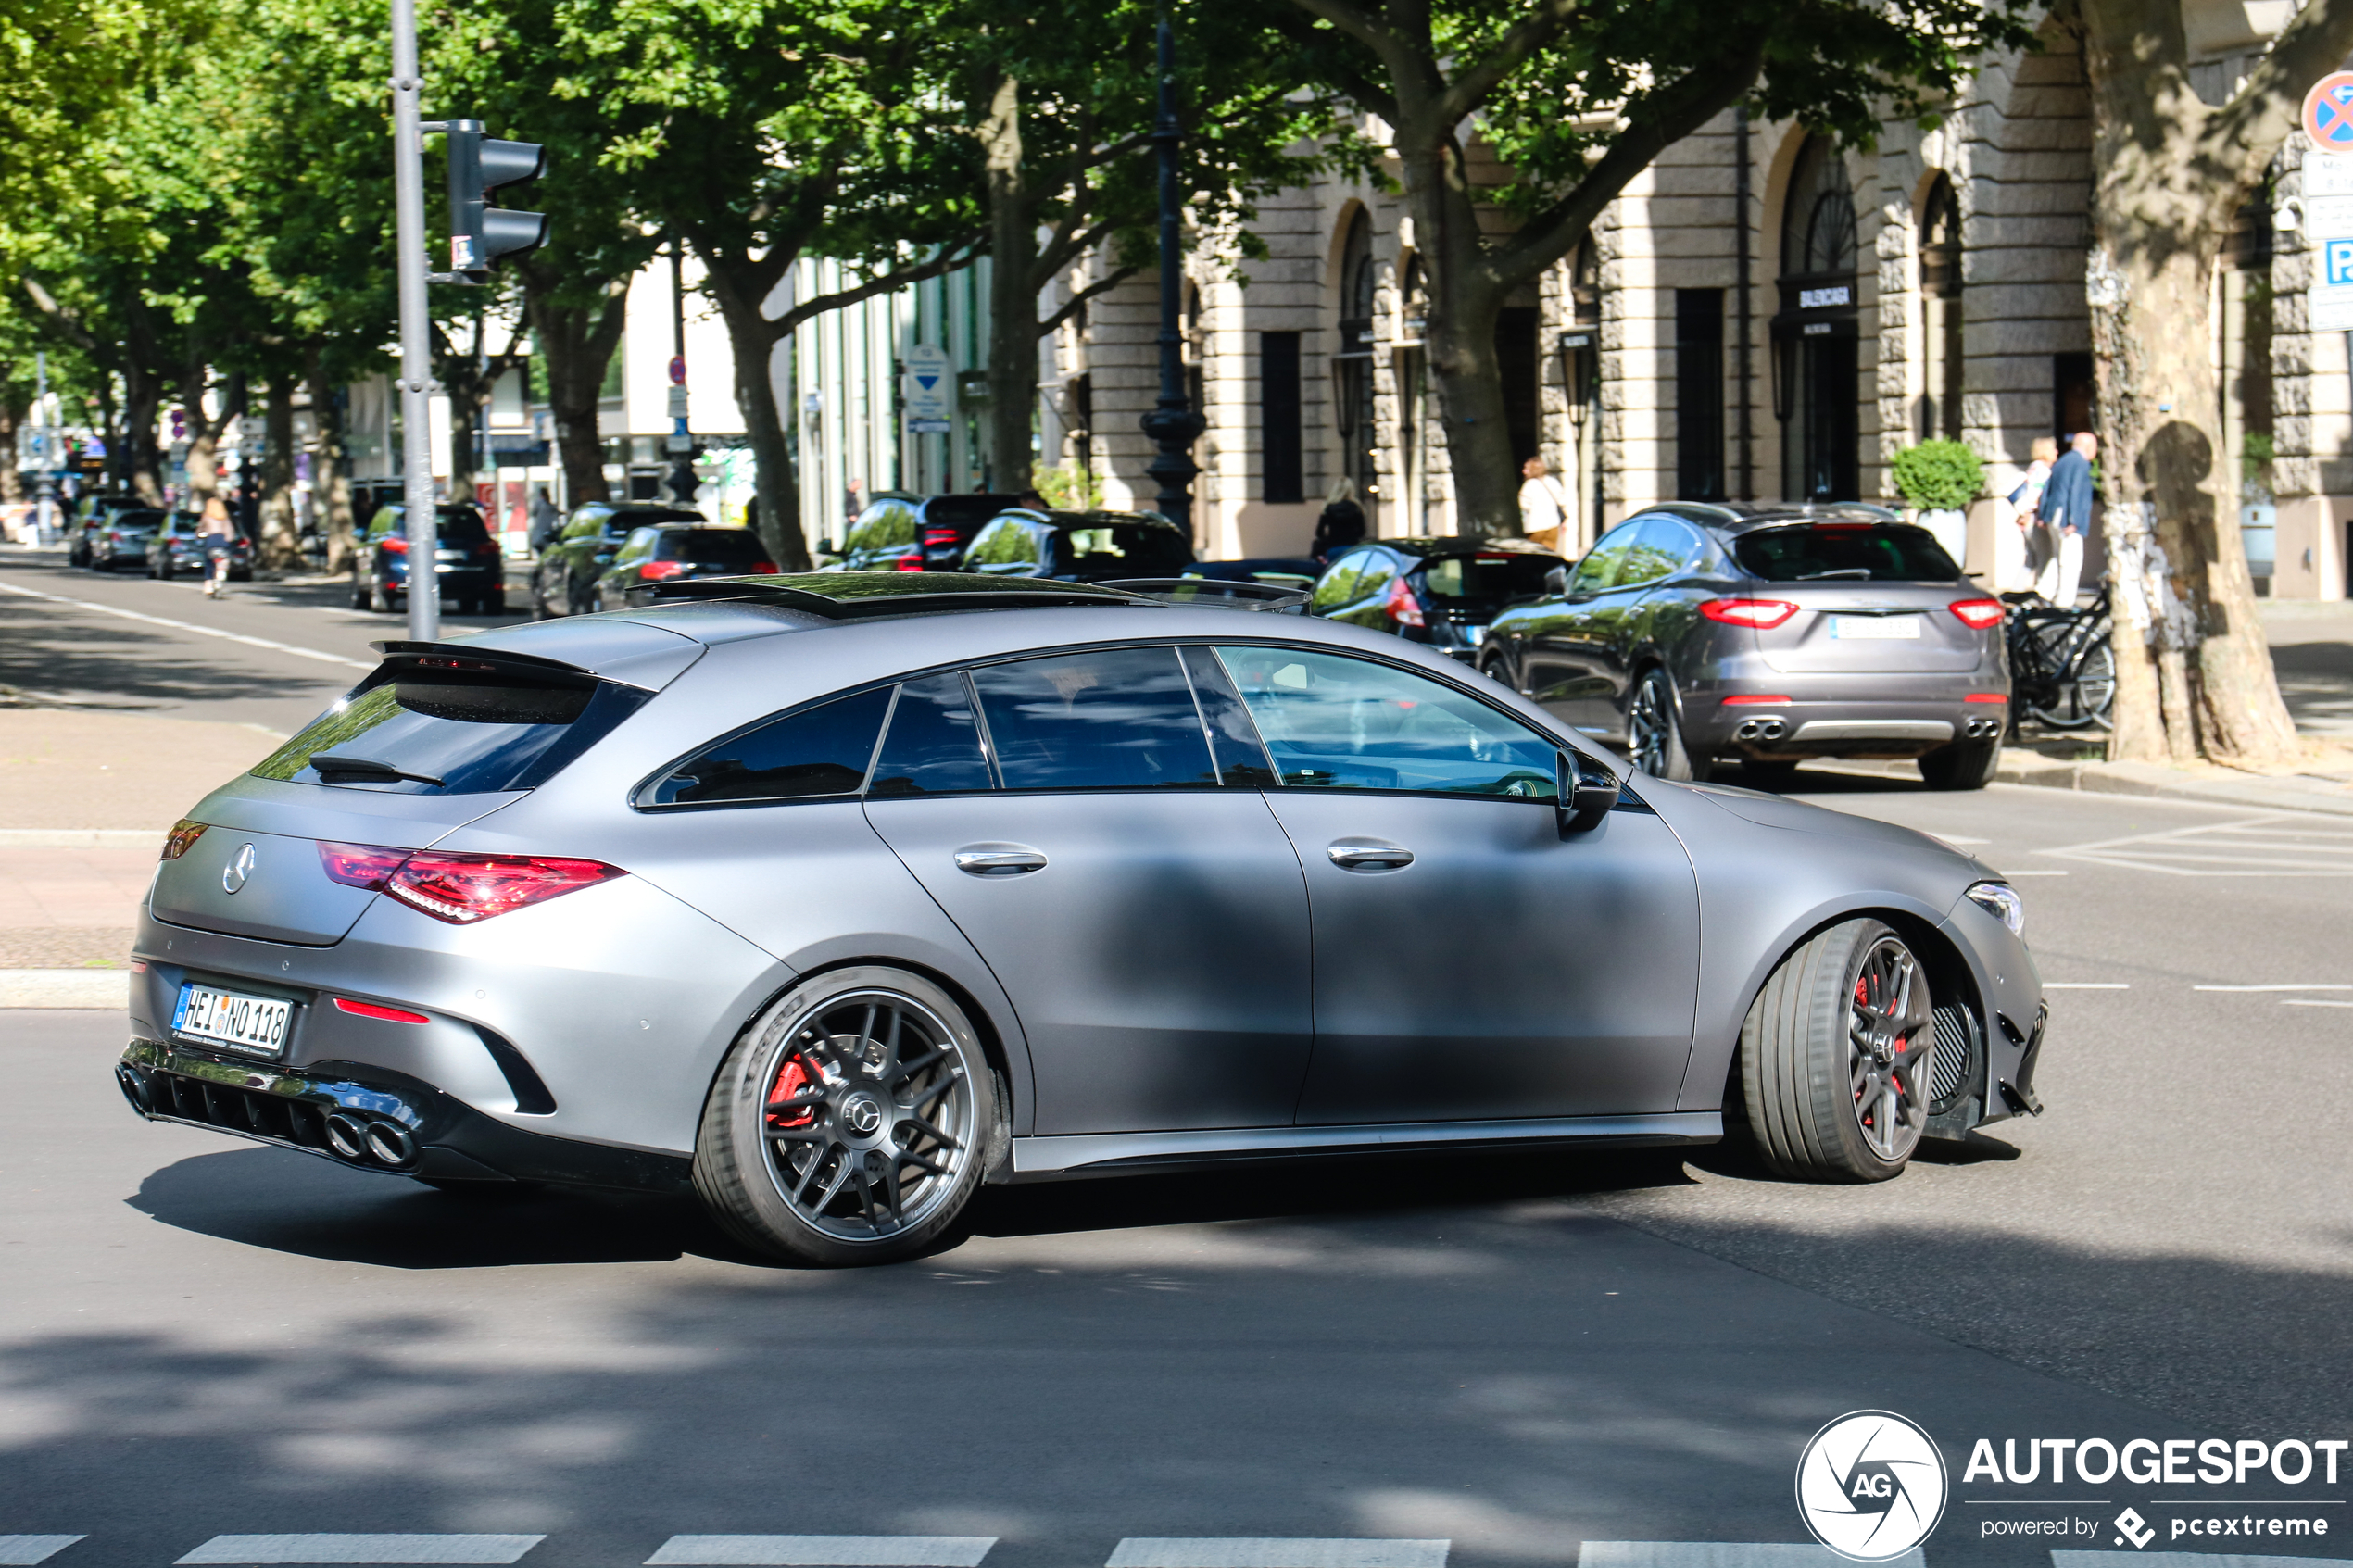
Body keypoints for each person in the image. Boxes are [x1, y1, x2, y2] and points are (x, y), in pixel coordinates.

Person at [2037, 431, 2096, 606]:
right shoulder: (2081, 463)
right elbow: (2077, 492)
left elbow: (2047, 489)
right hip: (2066, 517)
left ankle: (2043, 592)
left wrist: (2044, 515)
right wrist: (2074, 521)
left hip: (2054, 514)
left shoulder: (2062, 461)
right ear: (2088, 446)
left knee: (2057, 556)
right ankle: (2064, 602)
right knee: (2071, 561)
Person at [1995, 436, 2056, 593]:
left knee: (2031, 558)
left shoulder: (2033, 468)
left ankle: (2016, 590)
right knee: (2044, 556)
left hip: (2027, 517)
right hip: (2034, 517)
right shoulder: (2043, 470)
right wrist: (2029, 513)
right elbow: (2035, 493)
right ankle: (2042, 593)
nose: (2056, 452)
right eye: (2053, 449)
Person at [1517, 455, 1570, 551]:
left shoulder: (1529, 485)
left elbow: (1523, 506)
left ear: (1533, 470)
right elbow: (1562, 501)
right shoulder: (1553, 482)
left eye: (1526, 469)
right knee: (1549, 554)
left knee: (1533, 554)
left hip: (1535, 527)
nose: (1523, 471)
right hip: (1553, 525)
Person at [1311, 494, 1366, 564]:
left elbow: (1319, 532)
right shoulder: (1356, 508)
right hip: (1352, 547)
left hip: (1333, 547)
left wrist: (1328, 538)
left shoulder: (1328, 508)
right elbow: (1362, 531)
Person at [197, 495, 234, 598]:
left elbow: (200, 529)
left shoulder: (206, 517)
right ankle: (220, 577)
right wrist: (228, 541)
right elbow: (230, 532)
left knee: (209, 561)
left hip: (211, 541)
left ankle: (208, 583)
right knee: (223, 560)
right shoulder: (224, 517)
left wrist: (198, 534)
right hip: (223, 542)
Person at [527, 486, 560, 553]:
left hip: (540, 528)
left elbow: (533, 513)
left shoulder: (539, 503)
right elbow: (557, 513)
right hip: (547, 528)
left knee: (539, 545)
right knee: (545, 545)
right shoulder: (550, 505)